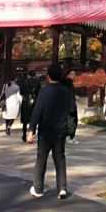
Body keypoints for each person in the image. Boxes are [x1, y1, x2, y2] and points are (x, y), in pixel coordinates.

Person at [28, 64, 77, 199]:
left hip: (46, 130)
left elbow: (37, 111)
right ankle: (62, 188)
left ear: (48, 76)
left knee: (41, 159)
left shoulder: (44, 91)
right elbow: (72, 109)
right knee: (60, 158)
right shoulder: (66, 92)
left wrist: (31, 129)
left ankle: (38, 188)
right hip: (61, 130)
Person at [20, 70, 39, 143]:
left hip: (25, 101)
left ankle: (24, 135)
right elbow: (39, 91)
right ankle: (32, 132)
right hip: (34, 101)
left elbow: (21, 92)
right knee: (33, 116)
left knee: (25, 119)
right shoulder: (37, 82)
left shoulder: (24, 82)